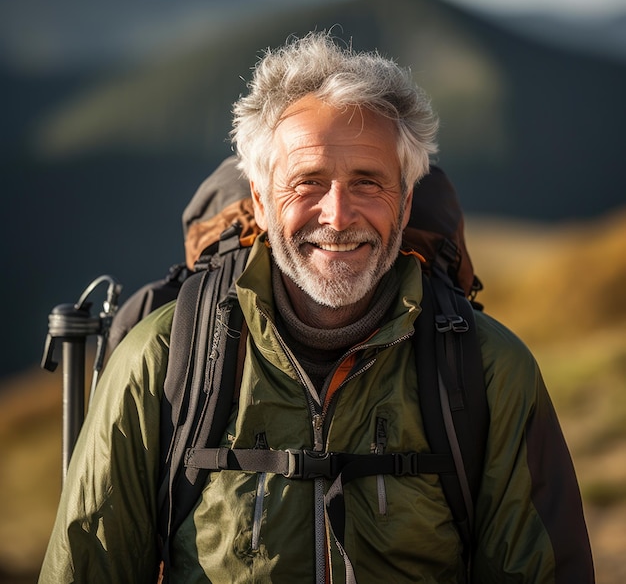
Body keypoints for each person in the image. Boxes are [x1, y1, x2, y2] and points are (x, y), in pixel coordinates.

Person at [39, 31, 594, 583]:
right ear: (260, 199)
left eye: (368, 183)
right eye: (308, 182)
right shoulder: (160, 362)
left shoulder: (490, 371)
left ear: (404, 201)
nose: (337, 214)